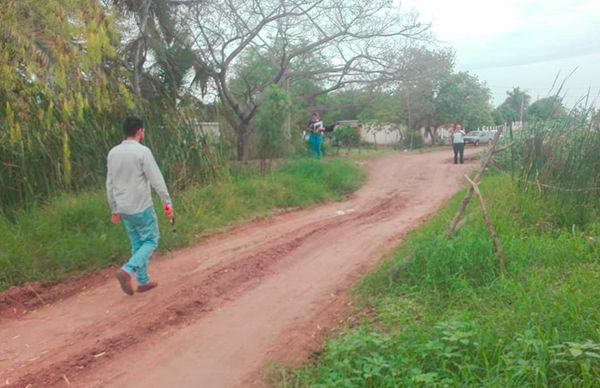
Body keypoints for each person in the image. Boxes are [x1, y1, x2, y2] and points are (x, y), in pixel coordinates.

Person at [106, 116, 174, 295]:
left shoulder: (113, 153)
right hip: (142, 207)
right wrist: (167, 202)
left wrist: (114, 209)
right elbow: (156, 180)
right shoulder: (142, 152)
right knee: (151, 240)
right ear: (139, 132)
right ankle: (128, 270)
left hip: (123, 208)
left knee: (137, 244)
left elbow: (110, 183)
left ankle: (143, 281)